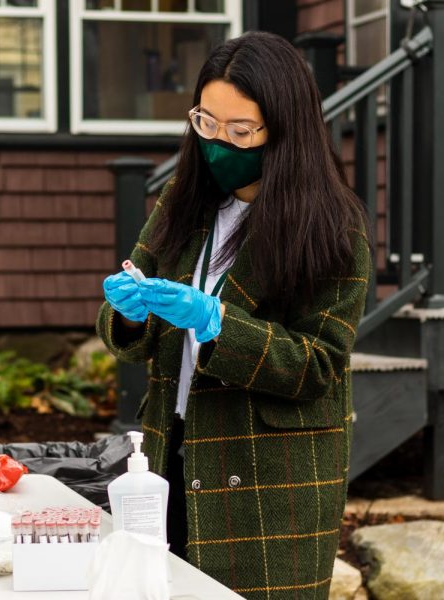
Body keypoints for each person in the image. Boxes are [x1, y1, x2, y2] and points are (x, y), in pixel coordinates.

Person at [96, 31, 370, 599]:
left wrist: (217, 321)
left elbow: (318, 366)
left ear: (284, 129)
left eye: (241, 131)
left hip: (269, 474)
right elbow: (133, 326)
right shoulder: (185, 200)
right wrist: (126, 312)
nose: (219, 143)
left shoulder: (332, 228)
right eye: (206, 123)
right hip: (171, 449)